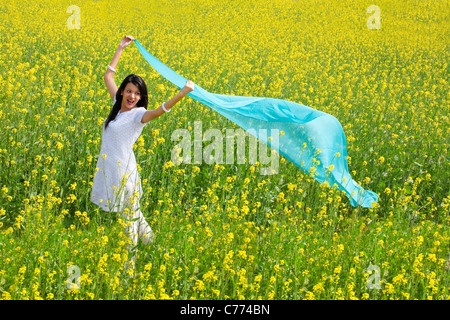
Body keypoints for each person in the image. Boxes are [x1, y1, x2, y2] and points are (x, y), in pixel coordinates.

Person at [90, 35, 195, 269]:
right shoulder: (118, 109)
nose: (132, 96)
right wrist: (120, 48)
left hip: (125, 176)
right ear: (122, 92)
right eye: (128, 91)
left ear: (141, 97)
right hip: (114, 172)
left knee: (128, 223)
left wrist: (183, 92)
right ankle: (155, 246)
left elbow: (161, 110)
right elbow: (108, 75)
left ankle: (130, 269)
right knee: (135, 216)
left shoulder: (139, 115)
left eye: (137, 94)